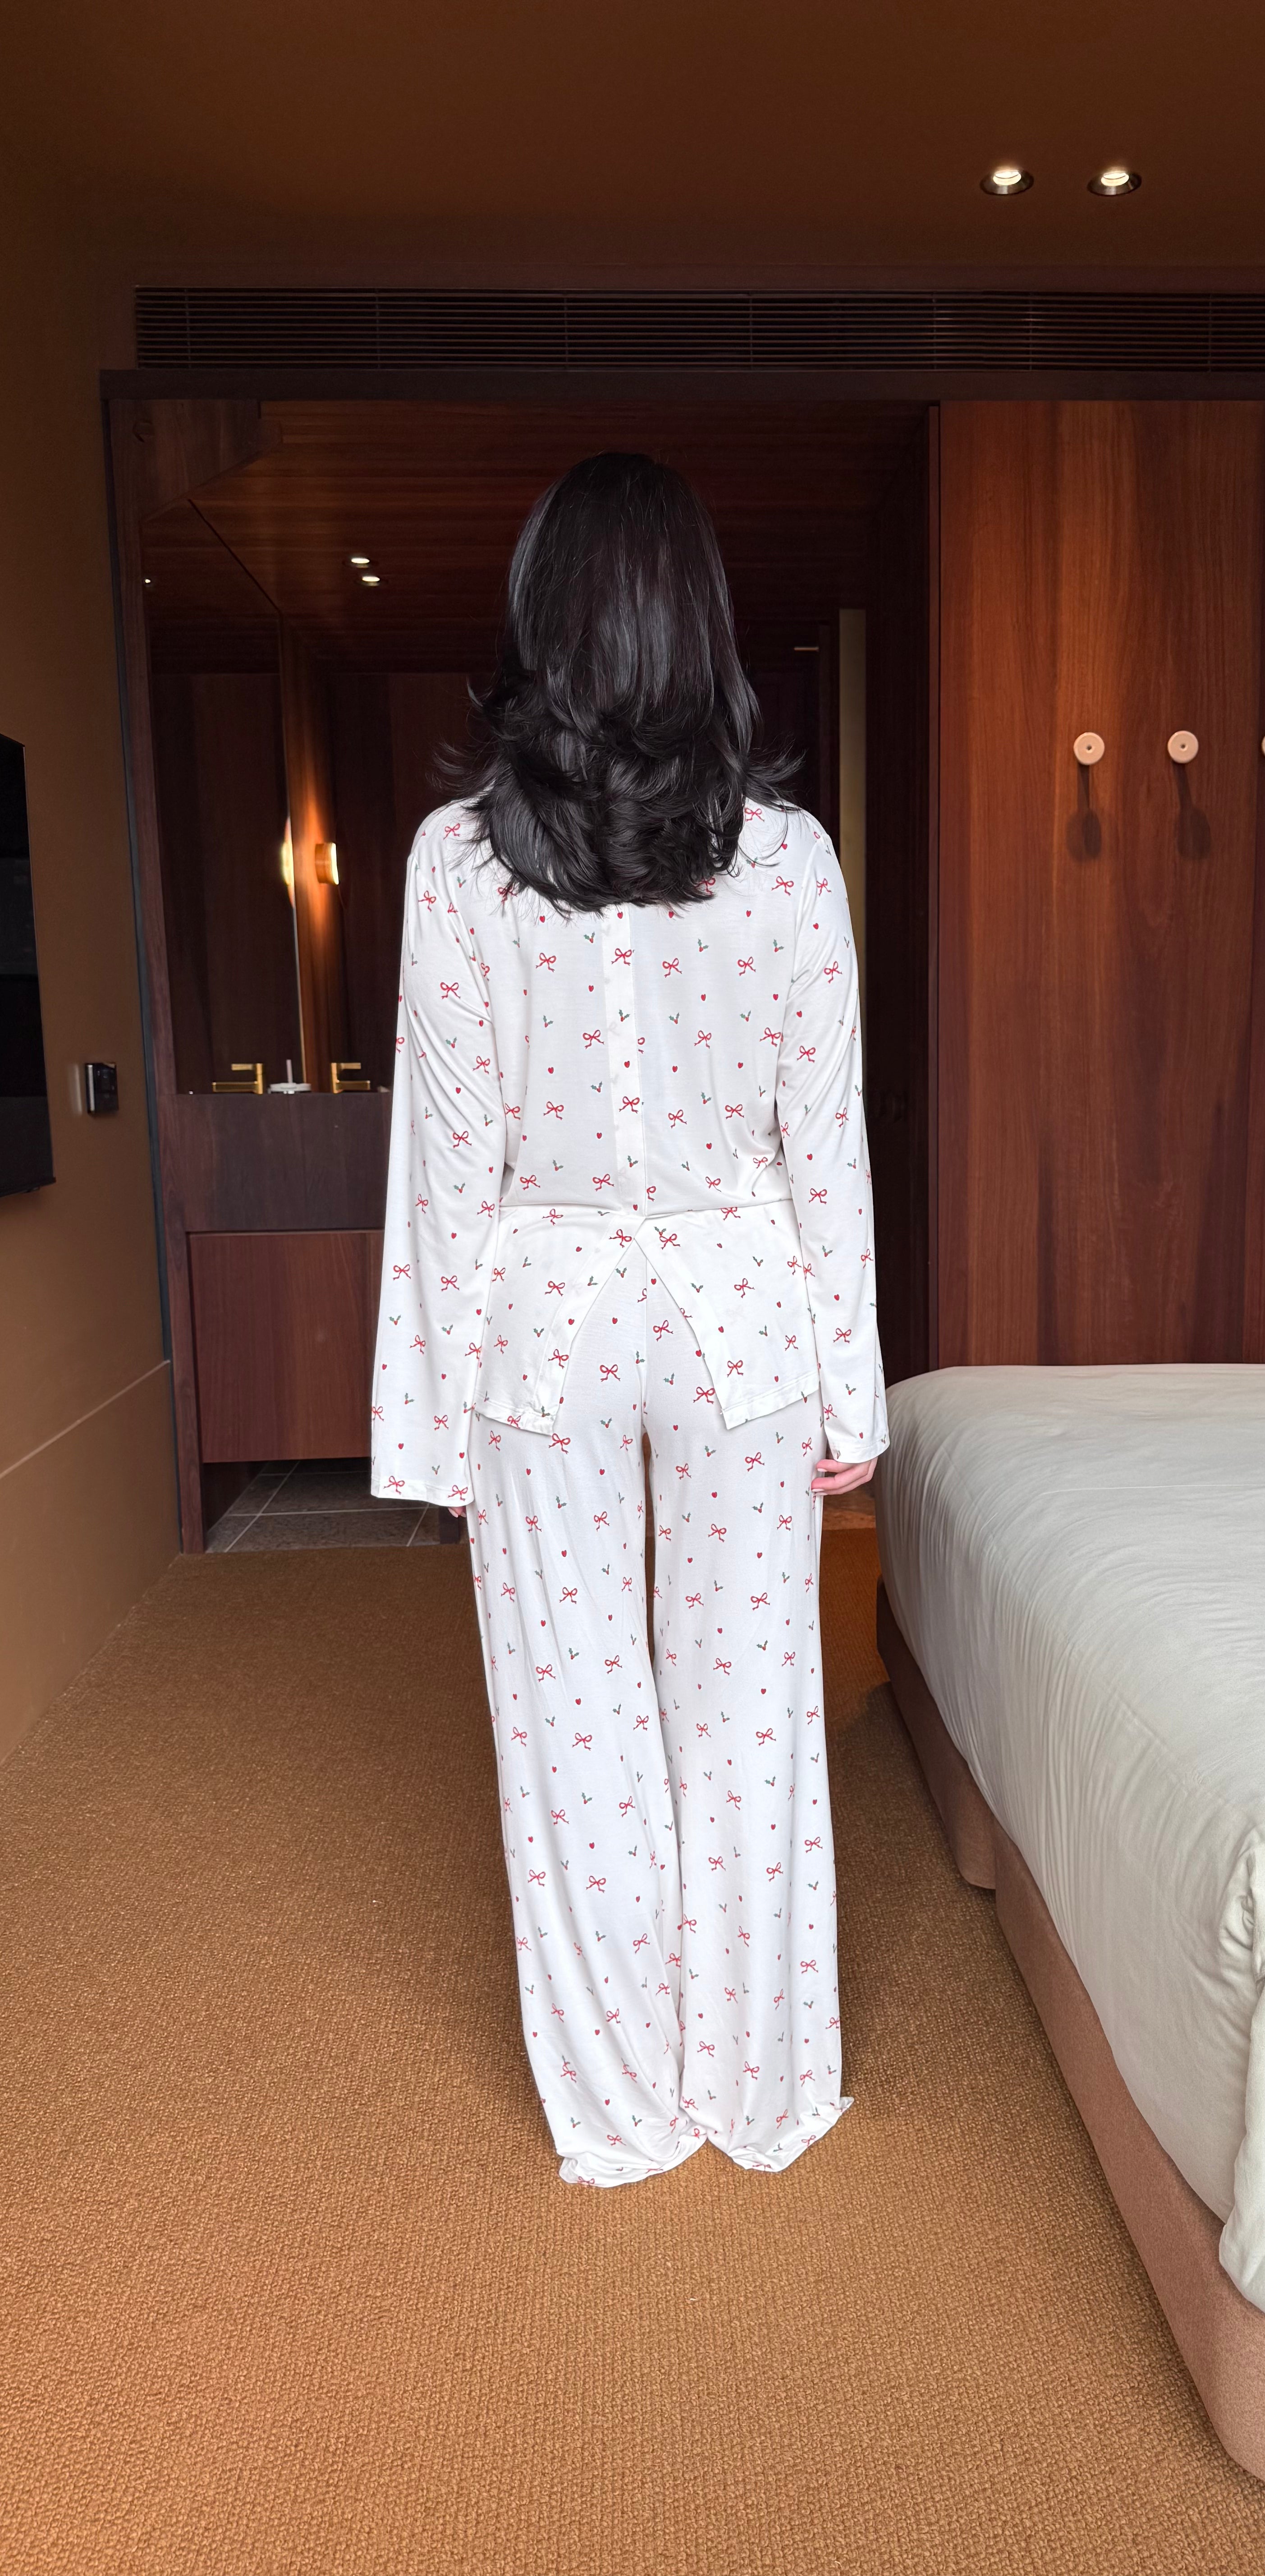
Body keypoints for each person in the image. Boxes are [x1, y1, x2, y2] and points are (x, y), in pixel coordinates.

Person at [371, 451, 887, 2187]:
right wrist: (851, 1396)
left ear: (543, 621)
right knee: (749, 1717)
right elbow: (824, 1147)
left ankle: (620, 2109)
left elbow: (446, 1165)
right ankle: (757, 2089)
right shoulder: (791, 862)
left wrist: (432, 1424)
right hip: (744, 1312)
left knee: (573, 1722)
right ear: (700, 627)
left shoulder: (458, 864)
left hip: (545, 1322)